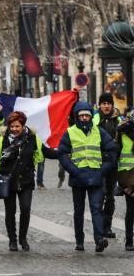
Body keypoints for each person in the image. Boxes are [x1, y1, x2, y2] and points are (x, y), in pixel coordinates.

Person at [0, 111, 50, 252]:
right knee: (10, 211)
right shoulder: (2, 139)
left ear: (23, 126)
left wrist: (64, 151)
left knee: (25, 209)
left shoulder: (32, 139)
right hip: (7, 180)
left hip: (26, 180)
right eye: (11, 126)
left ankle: (23, 238)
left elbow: (46, 152)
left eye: (17, 126)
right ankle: (12, 240)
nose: (14, 129)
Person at [58, 100, 118, 252]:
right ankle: (79, 240)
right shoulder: (70, 132)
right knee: (78, 211)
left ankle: (99, 239)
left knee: (96, 208)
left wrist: (103, 169)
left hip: (96, 176)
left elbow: (112, 151)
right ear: (77, 116)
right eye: (82, 115)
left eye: (87, 115)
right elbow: (62, 154)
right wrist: (73, 170)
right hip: (78, 177)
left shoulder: (99, 132)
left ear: (91, 116)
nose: (85, 118)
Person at [93, 93, 121, 239]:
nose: (106, 106)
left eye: (108, 103)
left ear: (112, 105)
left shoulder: (119, 120)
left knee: (110, 197)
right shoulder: (94, 119)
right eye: (103, 103)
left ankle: (107, 227)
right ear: (99, 105)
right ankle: (99, 226)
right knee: (100, 194)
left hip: (114, 164)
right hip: (98, 163)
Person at [116, 113, 134, 250]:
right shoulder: (122, 131)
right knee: (131, 209)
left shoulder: (122, 130)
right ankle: (129, 240)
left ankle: (129, 241)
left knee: (130, 209)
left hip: (126, 173)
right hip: (128, 174)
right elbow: (116, 151)